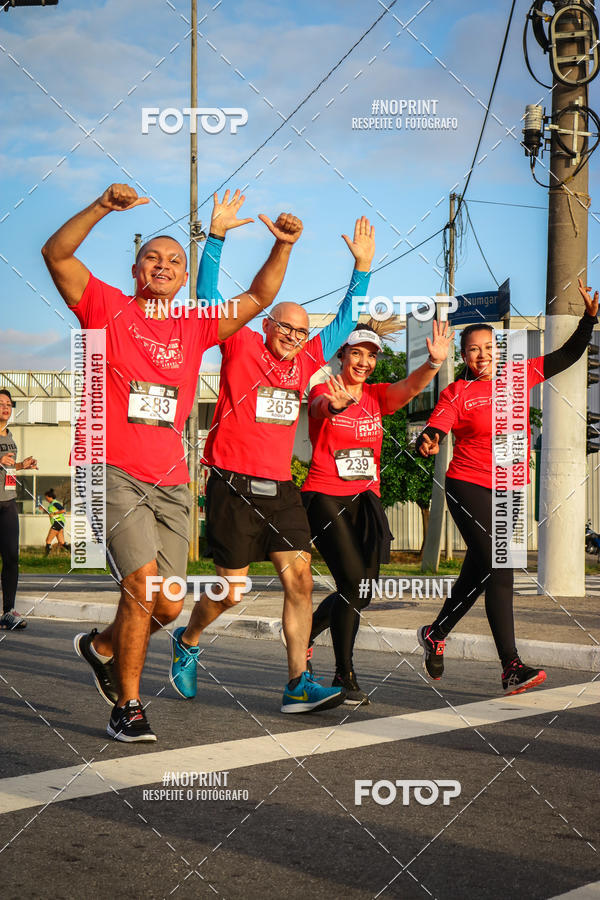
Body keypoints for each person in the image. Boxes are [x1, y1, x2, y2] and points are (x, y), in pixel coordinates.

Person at [42, 183, 302, 742]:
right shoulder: (106, 306)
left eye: (175, 261)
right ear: (137, 269)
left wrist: (281, 246)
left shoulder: (195, 324)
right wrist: (101, 206)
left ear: (185, 279)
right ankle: (128, 706)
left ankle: (104, 646)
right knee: (141, 584)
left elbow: (259, 297)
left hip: (172, 481)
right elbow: (56, 255)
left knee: (167, 604)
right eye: (153, 258)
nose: (163, 266)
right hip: (110, 467)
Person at [170, 212, 376, 713]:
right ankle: (190, 637)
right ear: (266, 324)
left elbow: (347, 319)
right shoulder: (239, 342)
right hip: (231, 483)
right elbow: (207, 299)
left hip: (280, 486)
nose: (291, 335)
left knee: (300, 580)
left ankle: (297, 684)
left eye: (300, 331)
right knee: (231, 591)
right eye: (284, 326)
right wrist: (216, 238)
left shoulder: (307, 359)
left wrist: (363, 270)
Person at [416, 277, 599, 695]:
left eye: (488, 347)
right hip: (468, 484)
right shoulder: (457, 391)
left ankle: (436, 632)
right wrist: (429, 438)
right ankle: (510, 666)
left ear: (499, 350)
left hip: (510, 488)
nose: (482, 355)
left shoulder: (519, 376)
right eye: (473, 350)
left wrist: (589, 320)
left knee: (479, 572)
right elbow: (438, 423)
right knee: (500, 567)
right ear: (463, 356)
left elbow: (566, 355)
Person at [301, 319, 453, 704]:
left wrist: (432, 364)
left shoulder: (375, 397)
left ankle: (306, 633)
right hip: (325, 496)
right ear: (342, 355)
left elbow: (410, 388)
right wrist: (332, 403)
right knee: (353, 585)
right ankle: (344, 674)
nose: (364, 361)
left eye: (370, 355)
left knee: (363, 592)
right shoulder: (324, 387)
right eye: (357, 353)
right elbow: (318, 407)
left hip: (366, 499)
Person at [0, 388, 37, 631]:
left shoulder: (10, 436)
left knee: (12, 557)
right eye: (1, 402)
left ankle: (8, 611)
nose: (5, 406)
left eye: (8, 403)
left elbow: (8, 472)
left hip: (7, 503)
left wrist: (21, 465)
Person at [40, 489, 71, 555]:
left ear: (50, 497)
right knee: (62, 542)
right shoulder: (51, 504)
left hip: (58, 522)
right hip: (59, 523)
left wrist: (54, 513)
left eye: (46, 498)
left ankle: (46, 556)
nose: (46, 499)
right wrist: (44, 510)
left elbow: (63, 510)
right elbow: (51, 513)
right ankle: (73, 552)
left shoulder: (55, 503)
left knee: (48, 540)